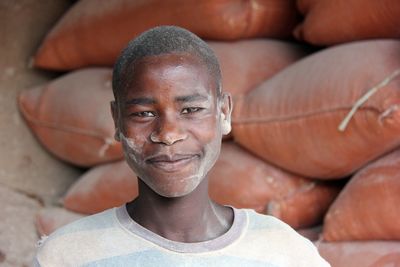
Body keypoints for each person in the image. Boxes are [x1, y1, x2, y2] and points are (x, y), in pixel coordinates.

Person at [34, 26, 330, 267]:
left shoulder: (285, 254)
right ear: (117, 121)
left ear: (224, 113)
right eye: (143, 114)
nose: (168, 134)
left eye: (191, 110)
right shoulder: (67, 255)